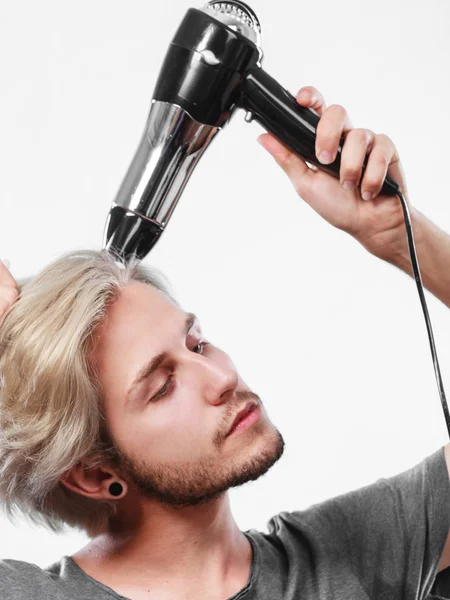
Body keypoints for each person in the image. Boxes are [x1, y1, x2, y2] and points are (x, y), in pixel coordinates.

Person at [0, 86, 449, 600]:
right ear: (95, 473)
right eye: (163, 386)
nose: (222, 376)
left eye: (197, 344)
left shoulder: (352, 555)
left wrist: (401, 238)